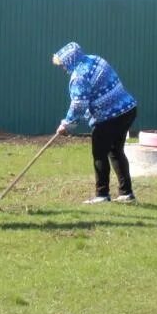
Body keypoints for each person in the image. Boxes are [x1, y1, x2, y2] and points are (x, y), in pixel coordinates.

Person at [52, 41, 138, 204]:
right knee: (116, 151)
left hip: (109, 117)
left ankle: (102, 195)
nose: (62, 67)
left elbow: (79, 104)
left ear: (70, 60)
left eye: (63, 64)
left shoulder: (78, 77)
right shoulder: (95, 59)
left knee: (99, 153)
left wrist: (67, 124)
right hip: (127, 110)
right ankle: (126, 193)